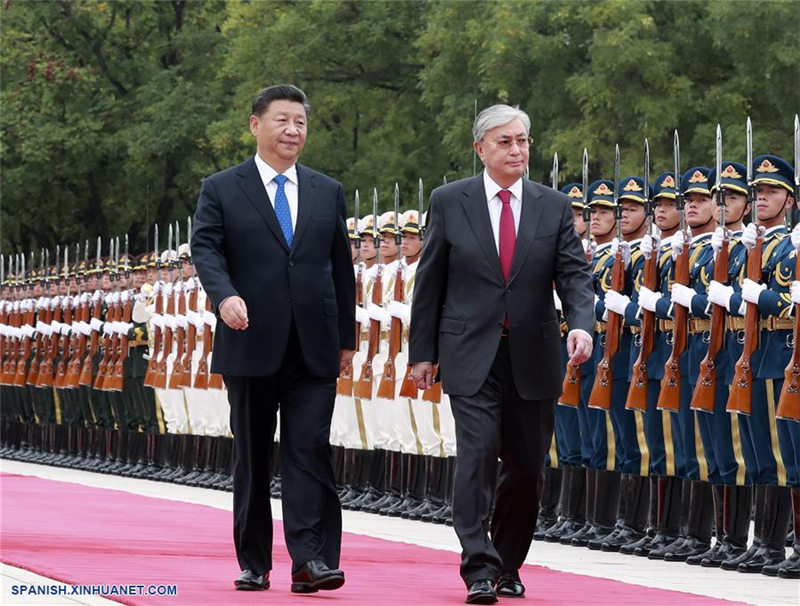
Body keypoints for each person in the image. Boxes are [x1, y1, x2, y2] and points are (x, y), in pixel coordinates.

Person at [408, 104, 594, 605]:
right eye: (505, 142)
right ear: (480, 149)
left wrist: (580, 325)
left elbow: (574, 274)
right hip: (470, 352)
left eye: (523, 141)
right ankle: (479, 568)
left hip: (533, 354)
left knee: (528, 464)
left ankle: (508, 563)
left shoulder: (552, 205)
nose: (517, 150)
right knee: (476, 454)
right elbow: (431, 281)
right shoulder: (451, 201)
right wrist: (421, 353)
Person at [191, 84, 355, 593]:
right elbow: (207, 250)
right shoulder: (222, 187)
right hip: (250, 338)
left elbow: (341, 268)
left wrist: (346, 336)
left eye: (300, 122)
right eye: (282, 120)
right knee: (254, 454)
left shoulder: (326, 190)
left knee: (309, 448)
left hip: (314, 344)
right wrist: (224, 297)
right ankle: (255, 560)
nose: (292, 131)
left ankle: (311, 560)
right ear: (255, 125)